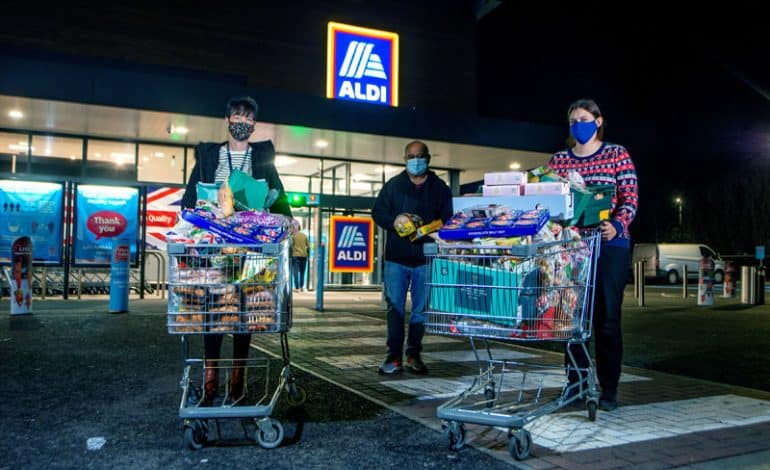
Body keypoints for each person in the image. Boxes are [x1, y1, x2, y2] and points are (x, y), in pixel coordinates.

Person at [181, 96, 292, 403]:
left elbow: (278, 195)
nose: (242, 124)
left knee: (245, 316)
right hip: (215, 250)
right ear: (227, 120)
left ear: (254, 125)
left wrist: (289, 220)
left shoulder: (262, 157)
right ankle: (210, 381)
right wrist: (196, 218)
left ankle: (237, 383)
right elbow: (189, 200)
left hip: (250, 250)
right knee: (214, 313)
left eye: (248, 119)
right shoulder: (209, 156)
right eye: (237, 118)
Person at [548, 98, 638, 411]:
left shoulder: (616, 154)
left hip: (609, 245)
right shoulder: (559, 160)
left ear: (598, 121)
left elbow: (630, 197)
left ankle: (609, 389)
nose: (578, 125)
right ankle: (575, 385)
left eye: (584, 119)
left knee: (607, 318)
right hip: (573, 247)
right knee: (573, 319)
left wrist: (617, 224)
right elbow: (548, 199)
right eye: (573, 120)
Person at [372, 140, 453, 375]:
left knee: (420, 310)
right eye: (411, 156)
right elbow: (378, 212)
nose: (415, 160)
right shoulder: (393, 186)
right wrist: (394, 221)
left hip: (425, 259)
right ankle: (393, 356)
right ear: (404, 159)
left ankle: (413, 354)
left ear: (428, 158)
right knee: (395, 307)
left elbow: (448, 220)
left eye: (419, 156)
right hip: (396, 259)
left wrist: (429, 229)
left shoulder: (440, 188)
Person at [291, 222, 309, 291]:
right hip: (304, 256)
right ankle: (301, 287)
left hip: (295, 255)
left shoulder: (293, 236)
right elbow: (308, 246)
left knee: (295, 272)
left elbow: (291, 246)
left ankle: (297, 287)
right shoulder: (304, 236)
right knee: (302, 272)